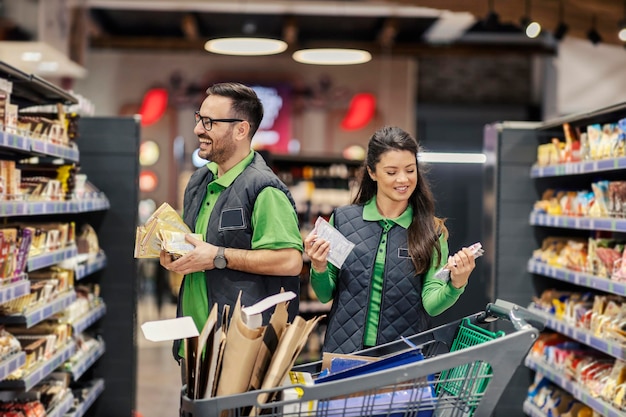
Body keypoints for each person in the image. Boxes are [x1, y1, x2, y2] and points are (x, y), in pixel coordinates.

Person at [160, 82, 303, 363]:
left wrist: (218, 257)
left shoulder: (265, 190)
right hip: (193, 344)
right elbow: (199, 249)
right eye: (199, 118)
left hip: (238, 350)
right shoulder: (199, 182)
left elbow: (290, 261)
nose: (198, 129)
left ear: (241, 130)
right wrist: (177, 256)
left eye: (210, 122)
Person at [304, 125, 476, 354]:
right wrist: (318, 265)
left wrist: (457, 283)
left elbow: (432, 305)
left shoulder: (431, 230)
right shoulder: (344, 220)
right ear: (372, 173)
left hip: (401, 359)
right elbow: (325, 294)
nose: (403, 179)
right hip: (344, 355)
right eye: (392, 172)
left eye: (410, 170)